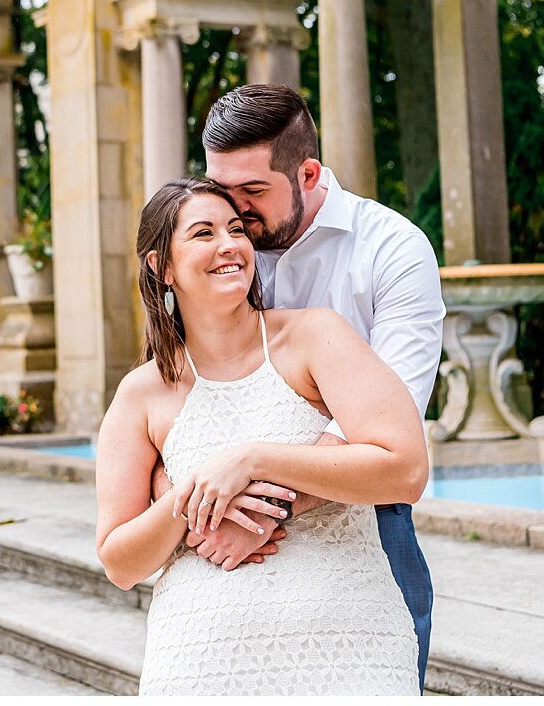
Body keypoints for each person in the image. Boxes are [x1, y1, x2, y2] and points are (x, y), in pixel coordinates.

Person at [95, 178, 427, 695]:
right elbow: (118, 561)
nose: (229, 244)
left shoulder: (316, 336)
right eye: (203, 233)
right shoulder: (142, 392)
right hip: (201, 663)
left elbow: (404, 470)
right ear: (160, 266)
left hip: (348, 646)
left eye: (236, 229)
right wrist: (194, 497)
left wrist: (254, 459)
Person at [170, 83, 446, 688]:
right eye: (222, 191)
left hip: (361, 525)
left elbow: (379, 431)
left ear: (310, 173)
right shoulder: (228, 251)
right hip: (221, 529)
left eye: (253, 192)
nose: (234, 215)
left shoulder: (393, 250)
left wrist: (260, 512)